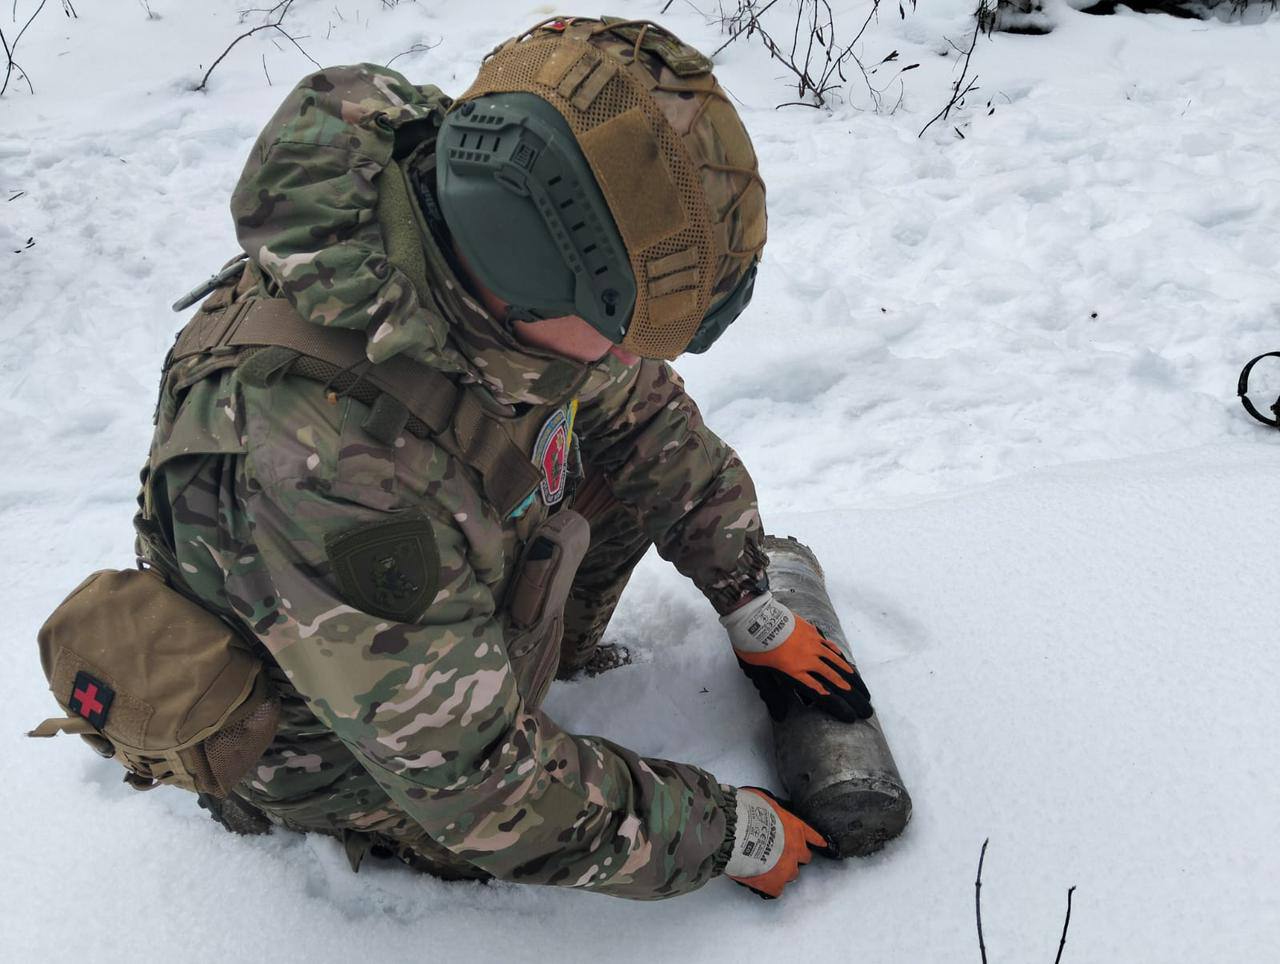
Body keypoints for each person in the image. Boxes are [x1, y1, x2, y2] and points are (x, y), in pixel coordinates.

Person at [137, 15, 873, 900]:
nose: (631, 354)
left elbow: (641, 417)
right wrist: (726, 834)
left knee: (612, 443)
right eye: (621, 325)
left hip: (412, 585)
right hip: (329, 739)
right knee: (465, 816)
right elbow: (490, 797)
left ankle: (529, 670)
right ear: (533, 276)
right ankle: (360, 808)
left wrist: (751, 597)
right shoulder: (332, 471)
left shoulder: (474, 222)